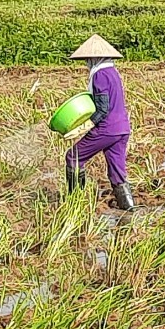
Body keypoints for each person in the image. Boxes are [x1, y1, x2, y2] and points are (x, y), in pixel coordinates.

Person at [65, 35, 135, 211]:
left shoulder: (100, 76)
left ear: (94, 58)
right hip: (122, 129)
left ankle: (75, 204)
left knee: (73, 156)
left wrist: (84, 126)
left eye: (88, 60)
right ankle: (128, 209)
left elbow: (103, 108)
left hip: (108, 128)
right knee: (117, 172)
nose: (87, 63)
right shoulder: (113, 72)